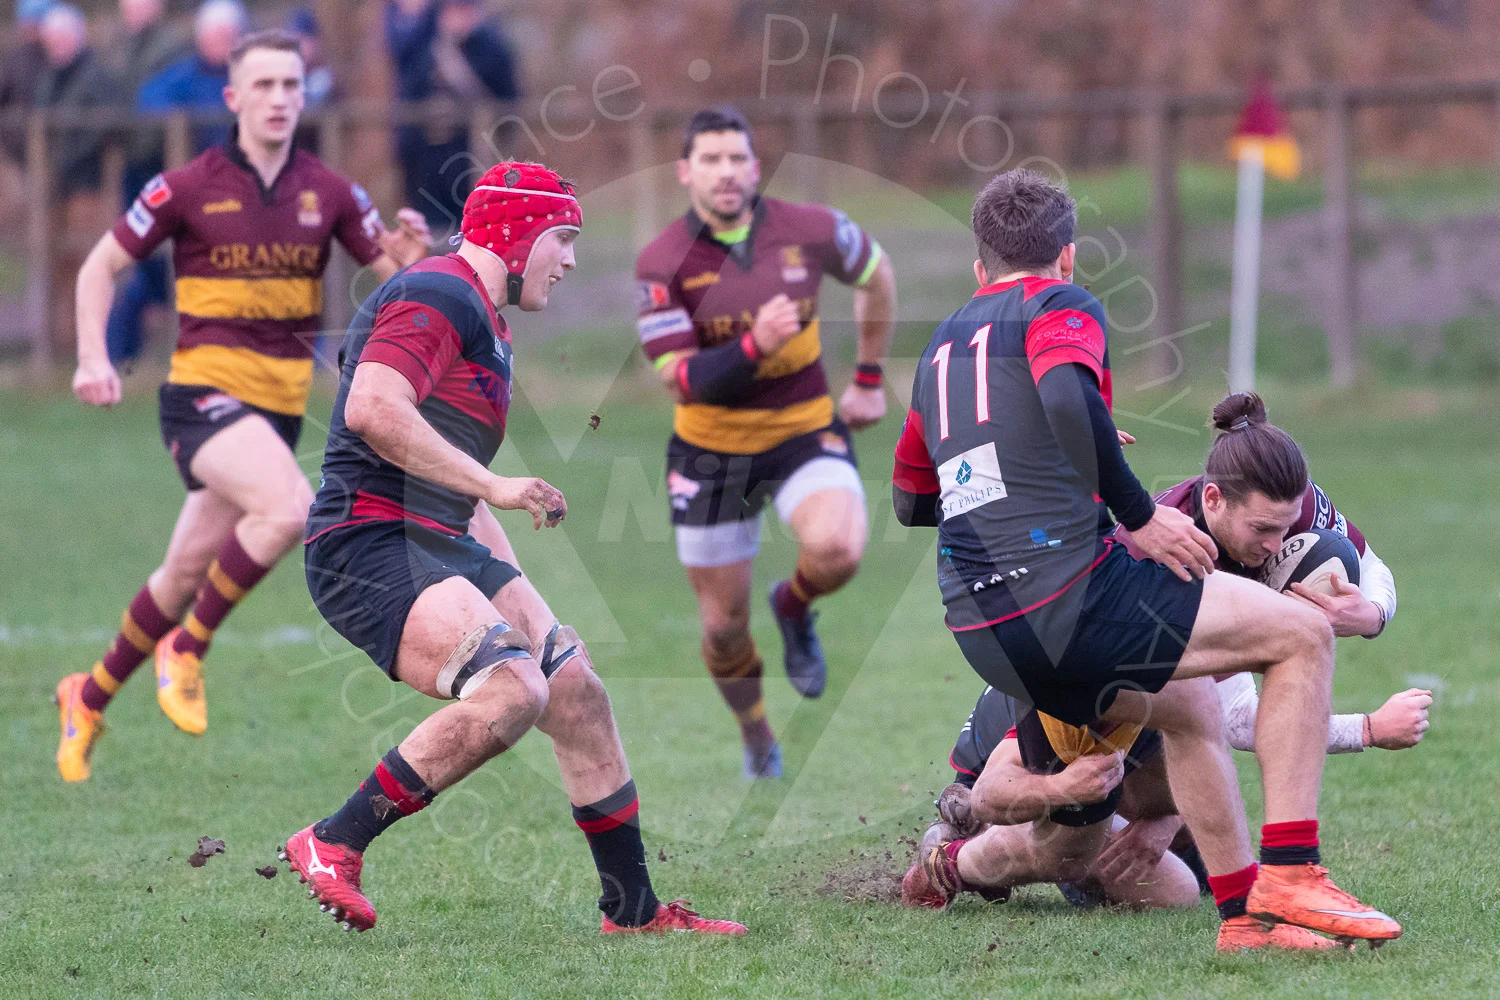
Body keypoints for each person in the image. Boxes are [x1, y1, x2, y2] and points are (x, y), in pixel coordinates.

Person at [891, 168, 1400, 951]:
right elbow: (1065, 400)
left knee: (1190, 704)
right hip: (1061, 597)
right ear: (1067, 258)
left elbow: (914, 502)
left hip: (980, 624)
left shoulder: (940, 349)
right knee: (1303, 635)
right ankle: (1293, 873)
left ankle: (1246, 918)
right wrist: (1138, 517)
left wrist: (1054, 473)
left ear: (978, 268)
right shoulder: (1060, 304)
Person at [285, 160, 746, 938]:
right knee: (512, 690)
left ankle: (633, 914)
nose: (569, 260)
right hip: (366, 541)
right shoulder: (443, 291)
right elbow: (370, 407)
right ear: (518, 233)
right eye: (562, 239)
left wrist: (534, 608)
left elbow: (453, 478)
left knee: (575, 690)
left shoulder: (483, 320)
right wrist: (495, 485)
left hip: (442, 539)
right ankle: (334, 840)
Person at [55, 29, 431, 782]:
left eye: (292, 86)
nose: (280, 100)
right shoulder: (184, 185)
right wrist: (93, 356)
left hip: (277, 411)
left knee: (183, 569)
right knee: (292, 508)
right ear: (233, 98)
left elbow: (396, 276)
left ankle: (87, 693)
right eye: (263, 86)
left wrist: (415, 253)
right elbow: (101, 267)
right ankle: (188, 646)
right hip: (201, 397)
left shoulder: (328, 190)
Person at [634, 105, 897, 777]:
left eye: (737, 159)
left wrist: (868, 376)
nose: (726, 173)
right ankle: (756, 734)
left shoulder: (809, 229)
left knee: (838, 548)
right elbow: (684, 380)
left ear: (755, 167)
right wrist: (756, 345)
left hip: (803, 430)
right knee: (722, 628)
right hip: (710, 450)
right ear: (686, 171)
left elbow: (877, 275)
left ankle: (794, 604)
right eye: (711, 160)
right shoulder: (662, 260)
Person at [1115, 392, 1431, 756]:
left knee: (1176, 805)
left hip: (1160, 702)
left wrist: (1370, 615)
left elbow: (1370, 563)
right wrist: (1369, 729)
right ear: (1214, 500)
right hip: (1094, 700)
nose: (1277, 544)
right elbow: (1236, 719)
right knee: (1148, 801)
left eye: (1287, 525)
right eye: (1262, 529)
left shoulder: (1287, 505)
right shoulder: (1172, 555)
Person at [107, 0, 246, 363]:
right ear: (201, 37)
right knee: (151, 269)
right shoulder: (182, 77)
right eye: (217, 35)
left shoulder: (253, 78)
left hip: (244, 196)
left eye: (230, 35)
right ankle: (118, 353)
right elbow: (149, 106)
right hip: (191, 195)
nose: (224, 43)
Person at [385, 0, 519, 230]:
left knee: (473, 227)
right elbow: (409, 97)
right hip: (428, 158)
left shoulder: (491, 50)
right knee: (429, 228)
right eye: (452, 11)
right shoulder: (424, 49)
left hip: (472, 153)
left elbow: (508, 101)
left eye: (464, 11)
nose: (457, 18)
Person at [35, 4, 116, 351]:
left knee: (86, 260)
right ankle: (58, 342)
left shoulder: (94, 74)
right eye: (49, 41)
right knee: (53, 261)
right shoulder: (51, 75)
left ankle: (89, 340)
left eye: (60, 39)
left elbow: (103, 125)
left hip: (87, 183)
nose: (55, 46)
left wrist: (67, 160)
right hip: (55, 184)